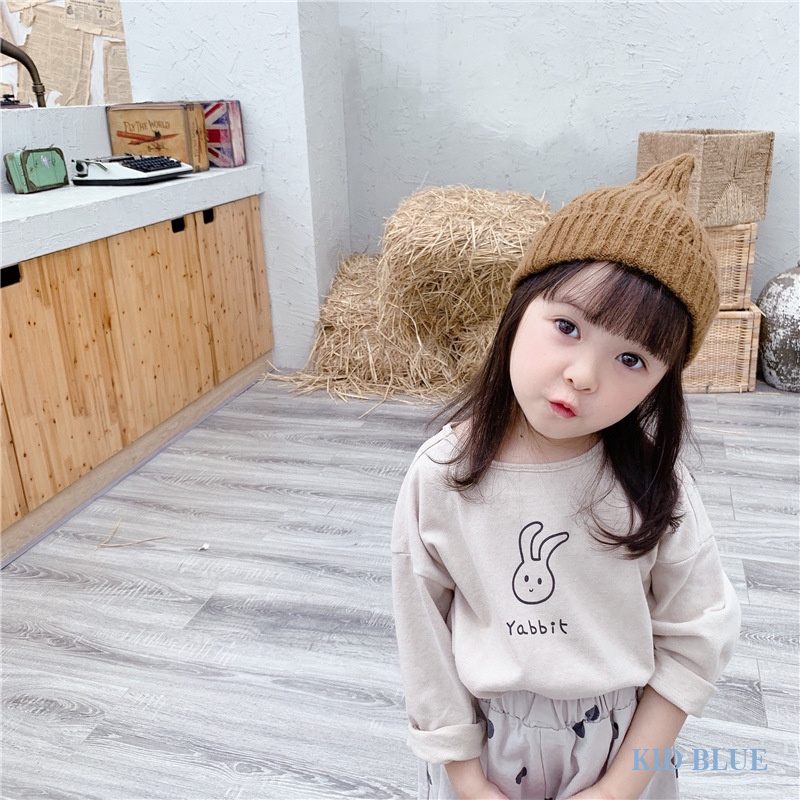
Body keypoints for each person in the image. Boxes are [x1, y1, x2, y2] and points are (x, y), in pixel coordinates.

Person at [391, 154, 741, 800]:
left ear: (663, 382)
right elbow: (424, 637)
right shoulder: (442, 475)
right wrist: (467, 780)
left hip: (622, 751)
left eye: (631, 358)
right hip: (486, 750)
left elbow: (698, 635)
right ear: (520, 306)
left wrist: (619, 787)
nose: (583, 374)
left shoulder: (655, 488)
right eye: (567, 327)